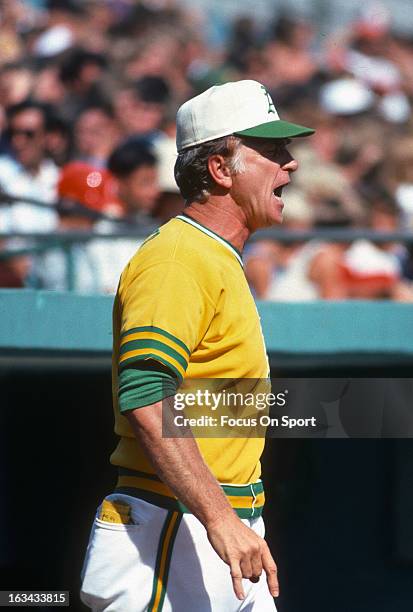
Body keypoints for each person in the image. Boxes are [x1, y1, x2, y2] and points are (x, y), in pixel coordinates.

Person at [80, 79, 314, 611]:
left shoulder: (215, 258)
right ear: (220, 169)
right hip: (170, 535)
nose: (291, 163)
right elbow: (145, 394)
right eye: (272, 150)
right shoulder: (177, 258)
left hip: (222, 531)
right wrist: (220, 519)